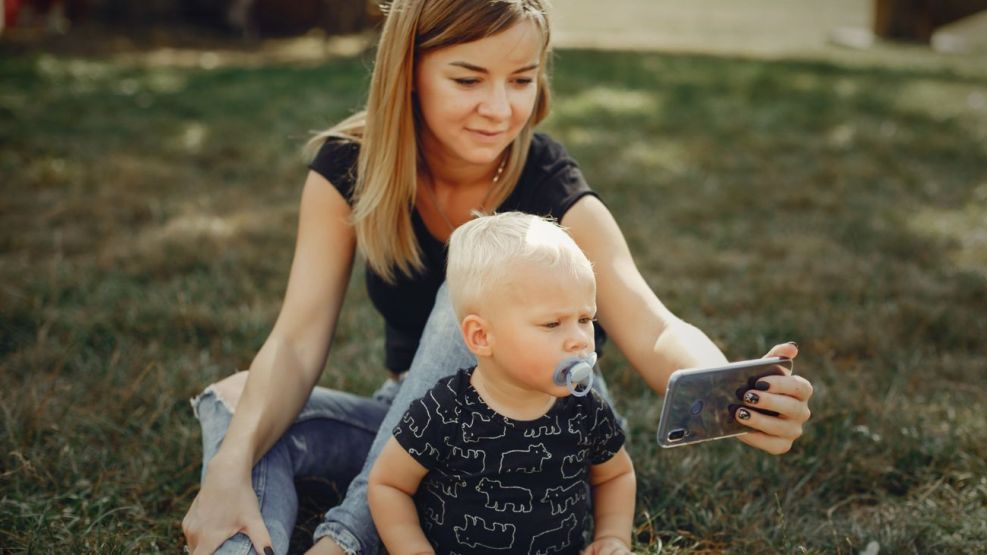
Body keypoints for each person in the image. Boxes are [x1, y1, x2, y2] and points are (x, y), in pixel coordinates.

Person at [181, 1, 815, 554]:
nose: (499, 107)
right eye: (467, 78)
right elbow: (295, 342)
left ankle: (343, 540)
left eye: (521, 79)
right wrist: (227, 471)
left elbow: (652, 327)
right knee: (236, 406)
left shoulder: (548, 183)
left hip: (538, 433)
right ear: (410, 74)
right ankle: (237, 543)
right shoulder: (349, 168)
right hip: (428, 422)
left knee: (472, 278)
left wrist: (737, 389)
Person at [368, 212, 635, 555]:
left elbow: (615, 475)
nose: (580, 340)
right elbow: (388, 484)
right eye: (553, 323)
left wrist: (613, 537)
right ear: (481, 336)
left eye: (584, 319)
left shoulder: (585, 409)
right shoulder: (444, 411)